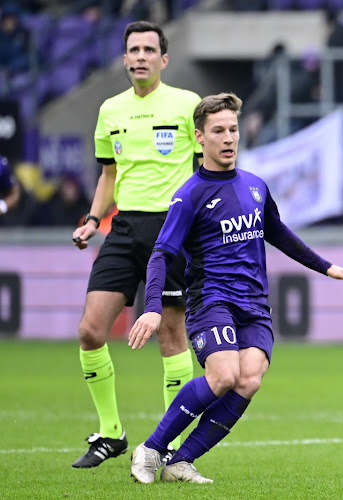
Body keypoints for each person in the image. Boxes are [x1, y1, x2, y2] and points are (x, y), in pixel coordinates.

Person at [128, 93, 343, 484]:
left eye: (233, 129)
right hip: (211, 300)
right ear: (199, 138)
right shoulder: (189, 195)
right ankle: (153, 448)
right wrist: (153, 306)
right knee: (223, 375)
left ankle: (181, 461)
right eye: (218, 131)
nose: (228, 138)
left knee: (249, 379)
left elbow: (279, 234)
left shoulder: (256, 186)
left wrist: (330, 269)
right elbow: (161, 254)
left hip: (254, 303)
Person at [70, 21, 202, 468]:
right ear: (124, 59)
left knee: (170, 334)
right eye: (134, 50)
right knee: (91, 330)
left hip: (173, 228)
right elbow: (108, 176)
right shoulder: (109, 110)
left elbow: (206, 173)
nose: (141, 56)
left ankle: (166, 446)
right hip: (123, 228)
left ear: (164, 59)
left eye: (149, 49)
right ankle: (111, 433)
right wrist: (92, 218)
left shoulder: (187, 105)